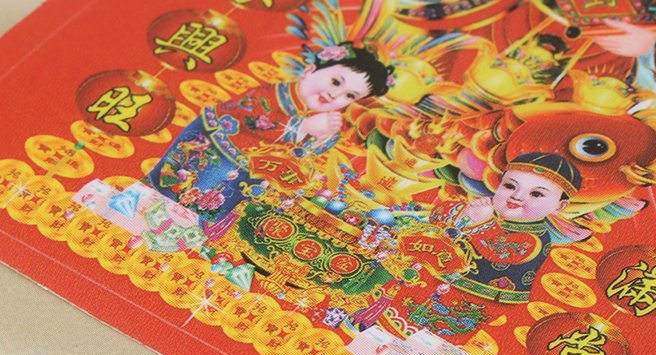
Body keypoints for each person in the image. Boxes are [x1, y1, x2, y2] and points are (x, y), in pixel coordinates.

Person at [147, 42, 394, 228]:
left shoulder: (323, 116)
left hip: (248, 173)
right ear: (309, 70)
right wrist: (302, 127)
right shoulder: (271, 94)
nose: (334, 95)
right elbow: (254, 120)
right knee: (175, 194)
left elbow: (303, 155)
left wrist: (321, 137)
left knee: (205, 216)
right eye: (336, 82)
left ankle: (184, 235)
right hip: (215, 148)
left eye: (349, 96)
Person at [430, 152, 584, 304]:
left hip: (480, 301)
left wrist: (480, 222)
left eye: (536, 194)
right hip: (437, 281)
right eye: (510, 186)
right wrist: (464, 214)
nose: (516, 196)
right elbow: (437, 215)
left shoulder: (536, 238)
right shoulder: (484, 210)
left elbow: (499, 250)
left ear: (559, 206)